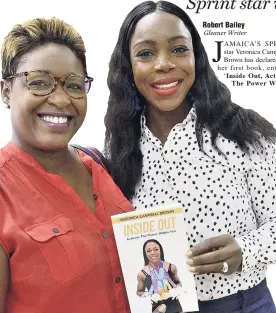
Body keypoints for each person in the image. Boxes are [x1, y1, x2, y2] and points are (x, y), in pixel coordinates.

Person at [103, 1, 276, 312]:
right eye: (146, 53)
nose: (164, 64)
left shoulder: (241, 131)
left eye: (179, 49)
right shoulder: (121, 146)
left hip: (243, 303)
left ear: (196, 57)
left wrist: (244, 251)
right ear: (128, 67)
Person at [0, 17, 167, 313]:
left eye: (75, 85)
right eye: (39, 83)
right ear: (6, 92)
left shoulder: (103, 166)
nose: (62, 99)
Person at [137, 239, 182, 313]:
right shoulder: (142, 274)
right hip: (157, 308)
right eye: (148, 251)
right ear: (145, 254)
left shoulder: (172, 267)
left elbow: (178, 282)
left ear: (160, 250)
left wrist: (177, 289)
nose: (153, 253)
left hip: (175, 306)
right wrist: (148, 295)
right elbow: (139, 291)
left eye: (156, 249)